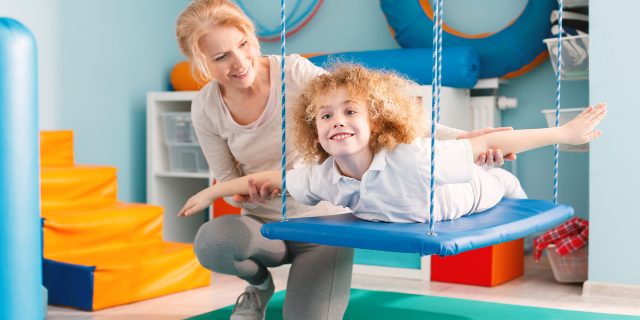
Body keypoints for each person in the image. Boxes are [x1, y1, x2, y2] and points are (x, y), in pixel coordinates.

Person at [176, 1, 514, 318]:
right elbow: (227, 180)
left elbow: (373, 110)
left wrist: (458, 137)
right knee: (213, 242)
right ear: (202, 63)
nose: (239, 62)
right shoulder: (205, 107)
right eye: (221, 57)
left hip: (324, 224)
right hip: (264, 227)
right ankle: (259, 285)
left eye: (244, 44)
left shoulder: (292, 73)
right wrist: (249, 191)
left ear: (252, 38)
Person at [178, 65, 607, 224]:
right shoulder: (323, 177)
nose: (337, 122)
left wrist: (564, 134)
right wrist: (212, 190)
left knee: (494, 180)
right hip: (412, 205)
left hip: (464, 196)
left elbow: (490, 141)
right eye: (326, 116)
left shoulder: (411, 157)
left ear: (375, 122)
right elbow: (270, 178)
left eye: (350, 112)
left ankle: (510, 188)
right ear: (315, 130)